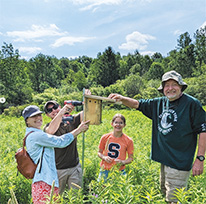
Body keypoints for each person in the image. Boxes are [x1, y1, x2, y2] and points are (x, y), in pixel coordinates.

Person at [109, 70, 206, 204]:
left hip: (179, 162)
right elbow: (138, 104)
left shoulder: (191, 104)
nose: (170, 88)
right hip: (164, 160)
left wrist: (200, 159)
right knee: (165, 194)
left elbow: (203, 130)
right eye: (167, 85)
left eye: (174, 84)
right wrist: (122, 98)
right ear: (163, 89)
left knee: (175, 200)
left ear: (181, 86)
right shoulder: (159, 103)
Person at [22, 105, 89, 204]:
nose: (38, 118)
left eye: (39, 115)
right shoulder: (36, 135)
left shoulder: (34, 133)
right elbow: (60, 142)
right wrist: (78, 130)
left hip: (47, 179)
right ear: (27, 121)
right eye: (33, 116)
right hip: (45, 181)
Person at [43, 90, 91, 194]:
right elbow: (51, 131)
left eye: (55, 107)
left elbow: (87, 115)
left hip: (74, 167)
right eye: (50, 110)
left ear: (59, 106)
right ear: (47, 115)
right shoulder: (47, 127)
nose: (53, 110)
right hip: (57, 170)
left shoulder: (71, 120)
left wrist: (87, 100)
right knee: (56, 198)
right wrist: (61, 113)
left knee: (75, 197)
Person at [97, 113, 134, 182]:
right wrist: (104, 157)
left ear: (124, 125)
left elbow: (131, 158)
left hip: (119, 170)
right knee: (101, 189)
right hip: (105, 169)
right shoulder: (105, 137)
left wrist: (122, 162)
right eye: (116, 122)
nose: (118, 125)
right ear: (112, 124)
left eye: (121, 123)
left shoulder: (128, 140)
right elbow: (99, 152)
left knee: (120, 190)